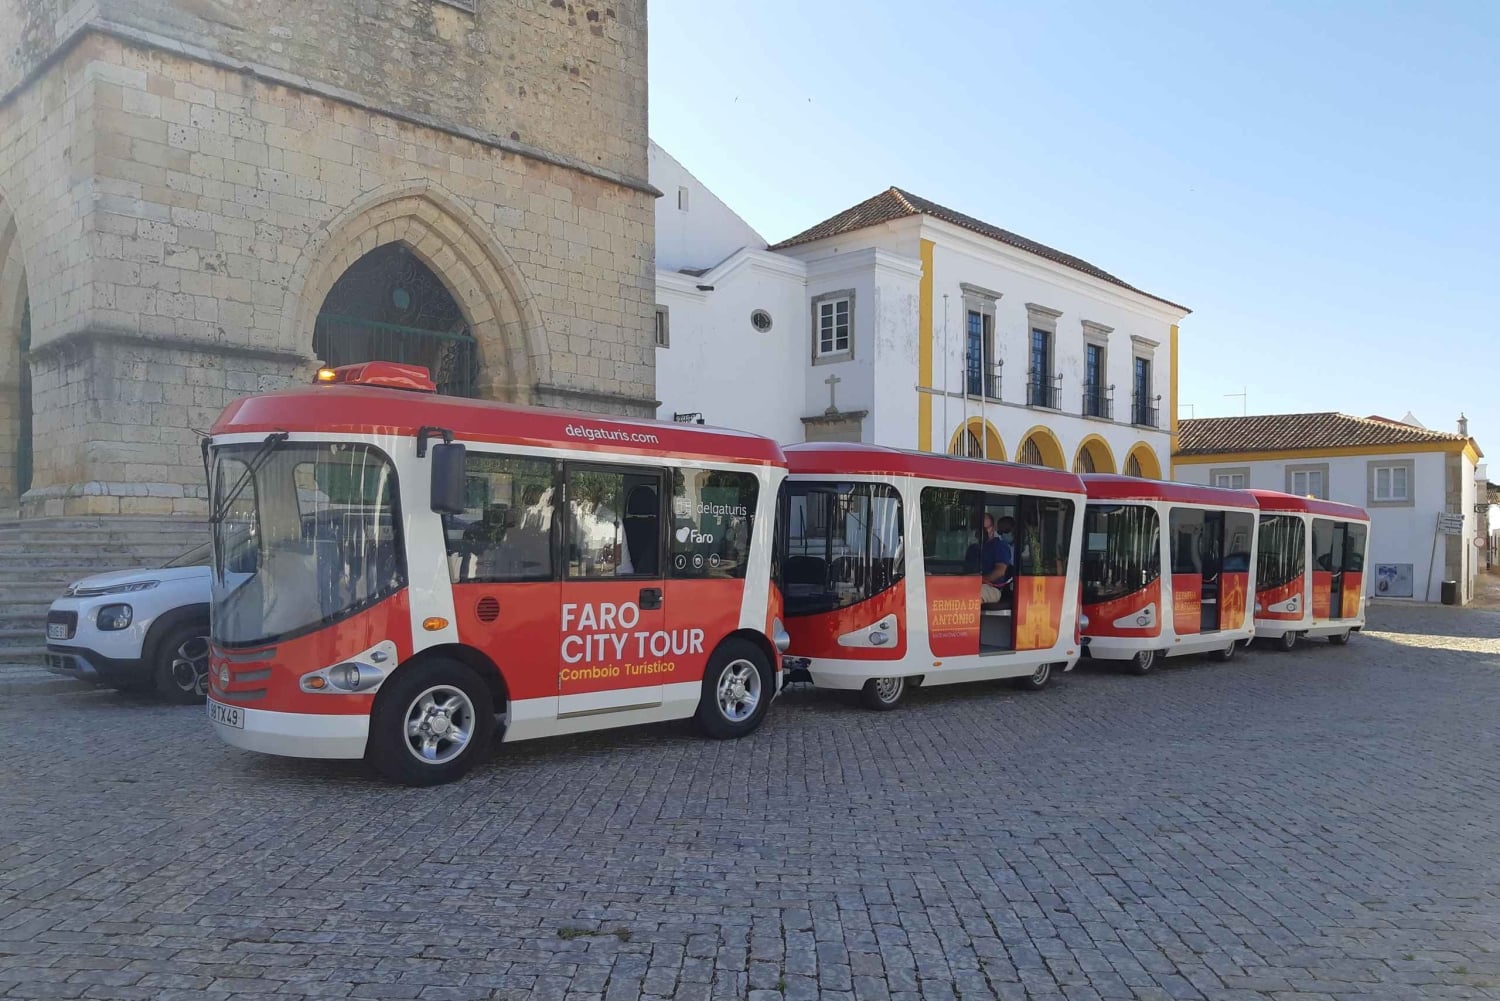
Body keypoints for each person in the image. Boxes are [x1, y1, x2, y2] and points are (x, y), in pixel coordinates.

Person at [970, 513, 1014, 603]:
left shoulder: (999, 546)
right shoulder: (972, 549)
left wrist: (980, 580)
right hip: (969, 583)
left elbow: (1000, 571)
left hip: (992, 588)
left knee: (970, 594)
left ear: (993, 528)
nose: (983, 532)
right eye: (980, 529)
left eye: (986, 529)